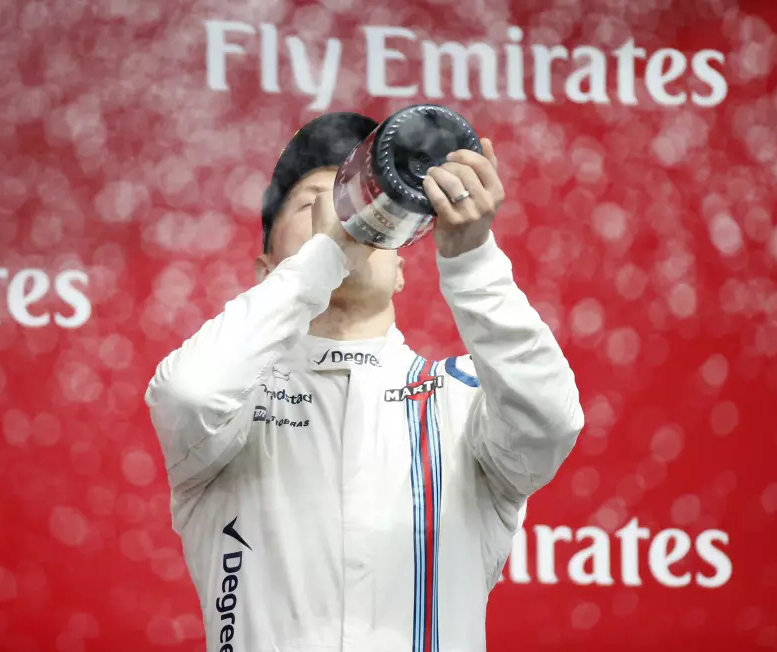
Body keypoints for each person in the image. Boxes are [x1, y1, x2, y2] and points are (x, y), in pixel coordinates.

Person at [145, 112, 584, 652]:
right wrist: (323, 258)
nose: (349, 219)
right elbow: (190, 394)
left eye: (364, 204)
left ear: (401, 268)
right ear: (267, 273)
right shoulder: (236, 405)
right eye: (314, 206)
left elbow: (550, 422)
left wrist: (471, 260)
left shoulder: (462, 397)